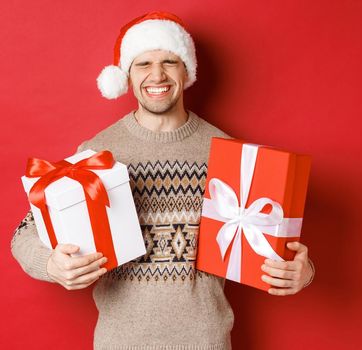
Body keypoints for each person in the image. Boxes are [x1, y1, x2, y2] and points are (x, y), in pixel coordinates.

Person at [10, 11, 315, 350]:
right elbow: (24, 233)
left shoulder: (231, 155)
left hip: (206, 342)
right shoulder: (97, 153)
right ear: (126, 74)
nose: (157, 74)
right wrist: (51, 264)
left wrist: (303, 272)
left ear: (187, 71)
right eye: (143, 64)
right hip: (120, 343)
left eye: (170, 61)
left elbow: (275, 249)